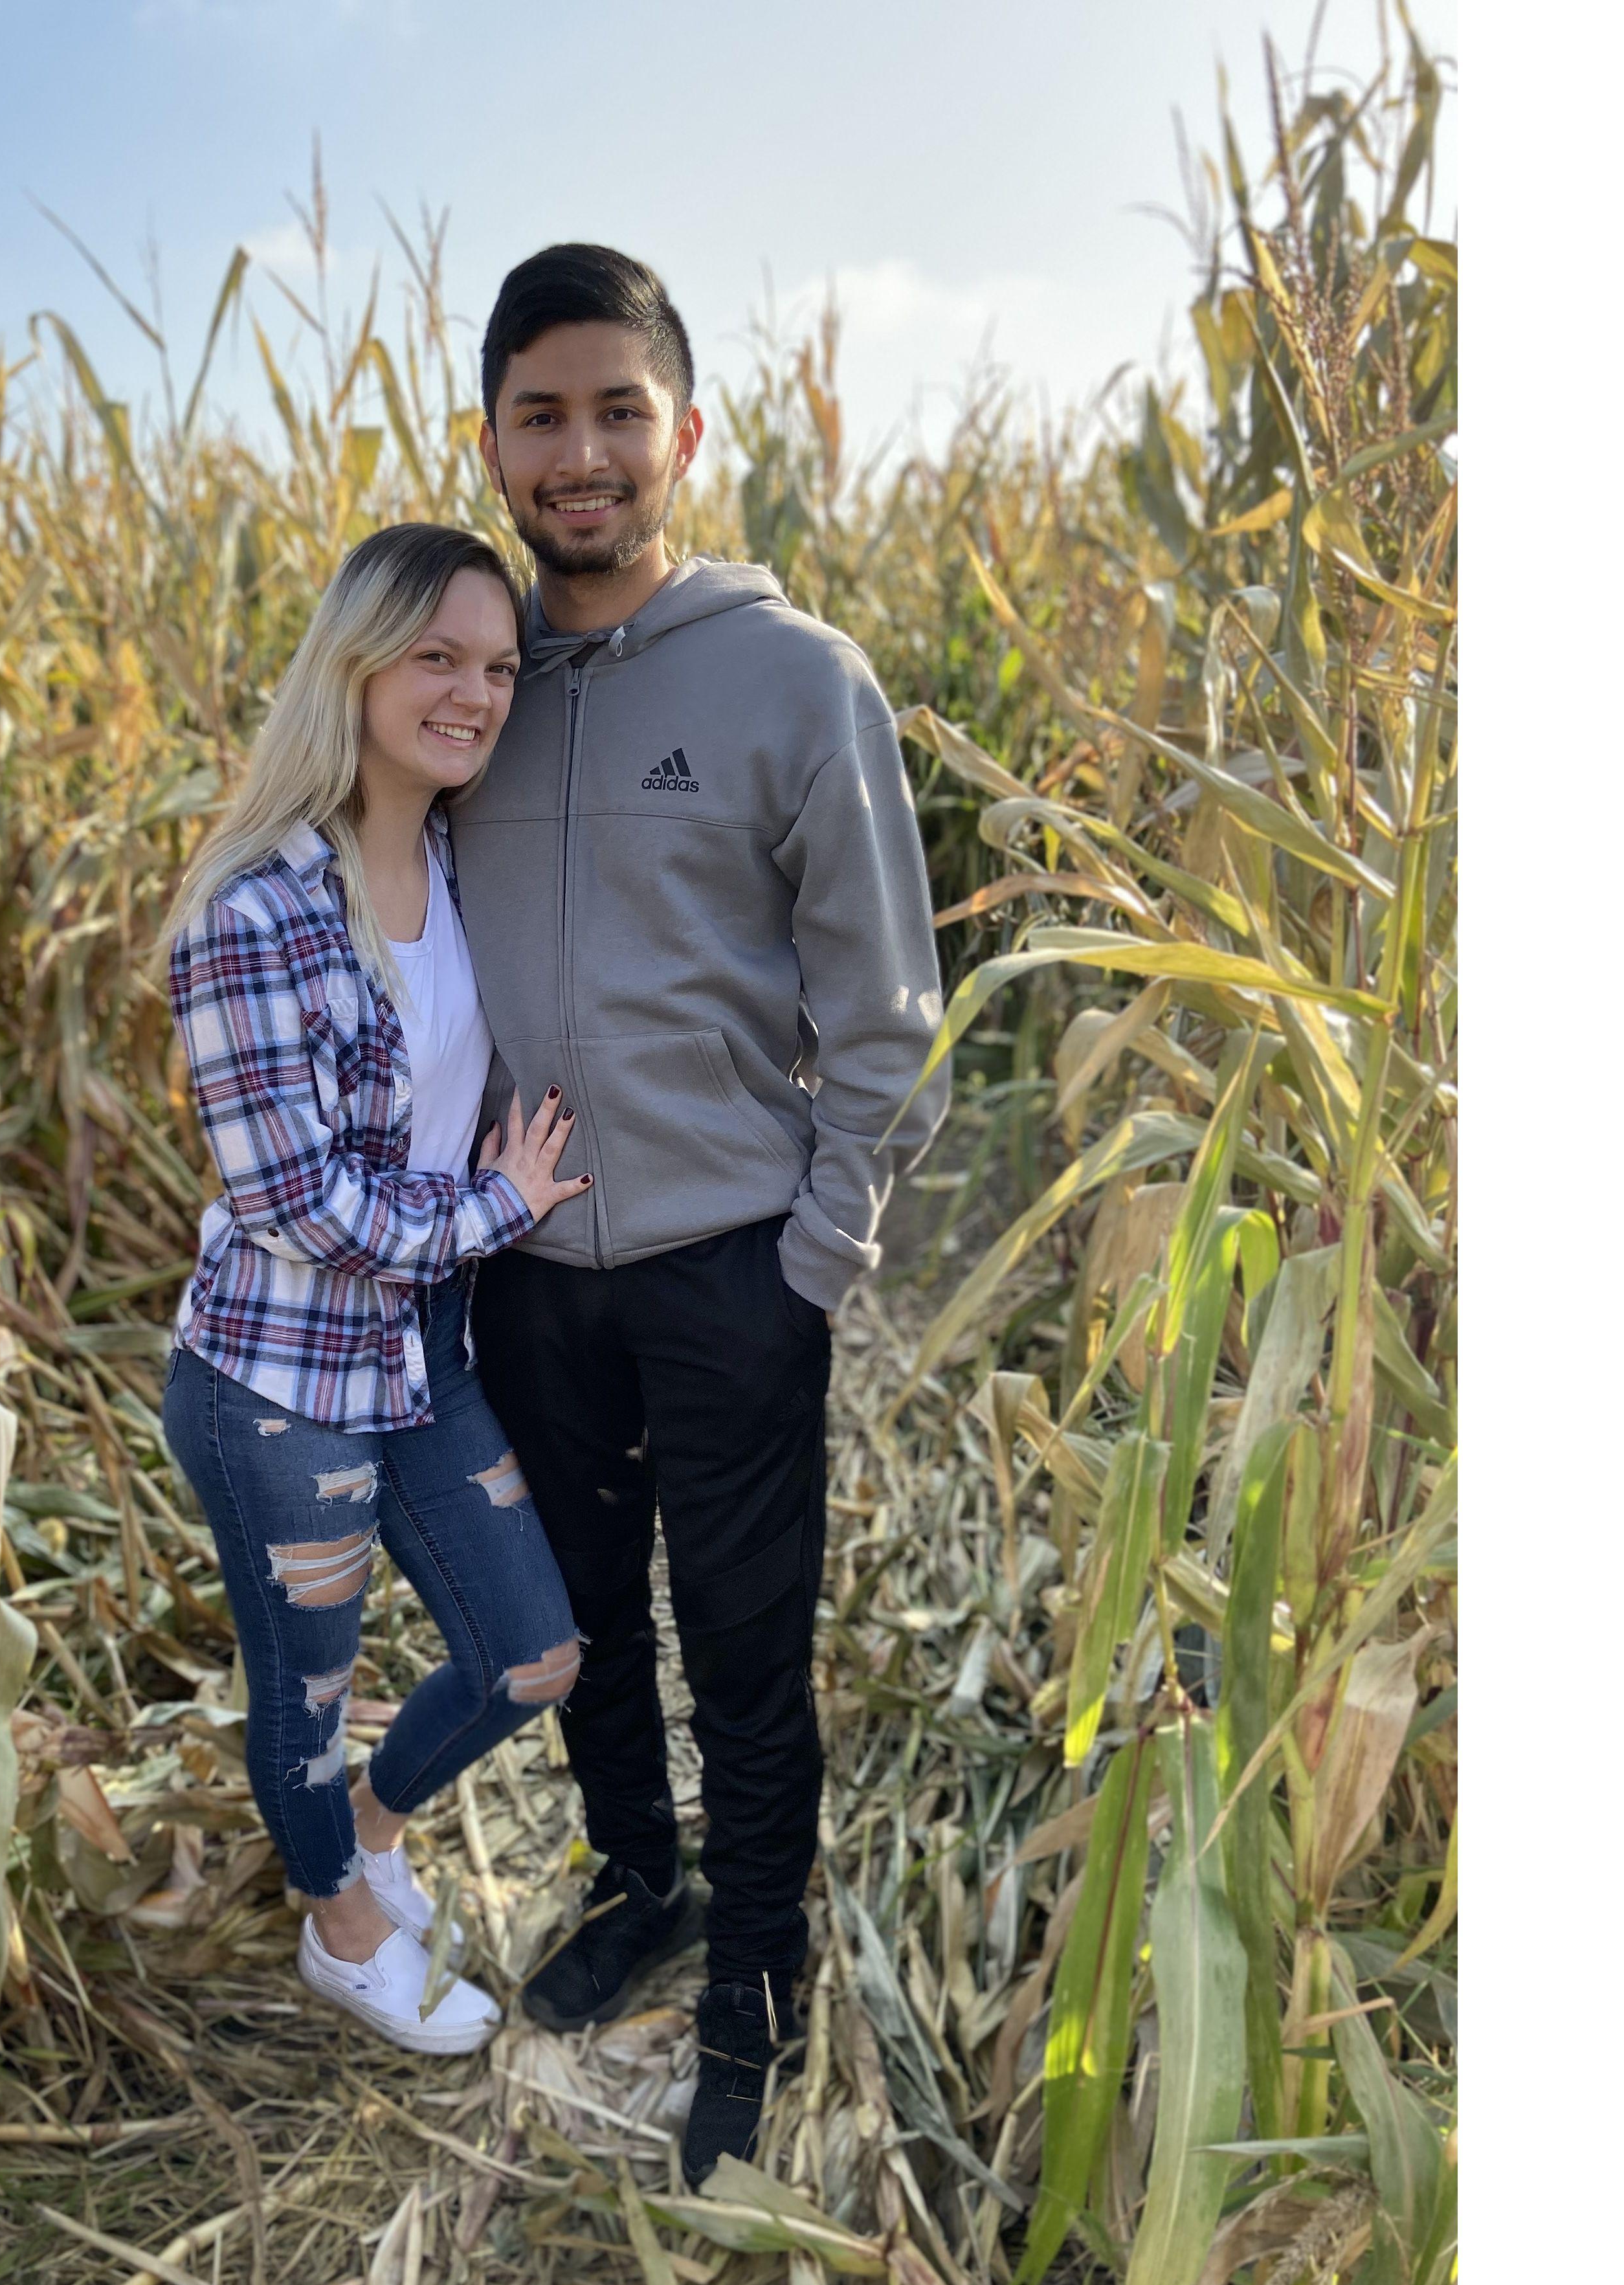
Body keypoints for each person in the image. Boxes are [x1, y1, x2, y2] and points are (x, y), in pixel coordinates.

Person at [451, 245, 951, 2180]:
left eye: (617, 412)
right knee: (582, 1629)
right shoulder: (466, 684)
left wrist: (814, 1258)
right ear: (491, 442)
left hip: (732, 1268)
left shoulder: (793, 681)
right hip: (527, 1275)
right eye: (542, 416)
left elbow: (887, 1012)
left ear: (687, 435)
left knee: (745, 1647)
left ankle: (756, 1973)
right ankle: (638, 1882)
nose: (579, 454)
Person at [160, 522, 592, 2055]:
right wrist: (500, 1205)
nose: (474, 694)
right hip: (282, 1384)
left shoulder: (465, 861)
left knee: (531, 1656)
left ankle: (368, 1831)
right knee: (307, 1693)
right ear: (353, 665)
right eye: (436, 659)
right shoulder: (251, 911)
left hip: (423, 1352)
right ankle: (341, 1932)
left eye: (499, 668)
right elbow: (297, 1204)